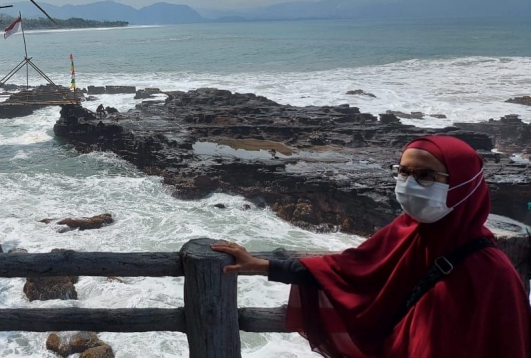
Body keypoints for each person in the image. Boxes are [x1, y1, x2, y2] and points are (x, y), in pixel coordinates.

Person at [212, 135, 531, 358]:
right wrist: (260, 265)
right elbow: (347, 270)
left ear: (464, 185)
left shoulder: (493, 272)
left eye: (425, 175)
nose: (408, 184)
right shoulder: (405, 233)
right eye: (403, 172)